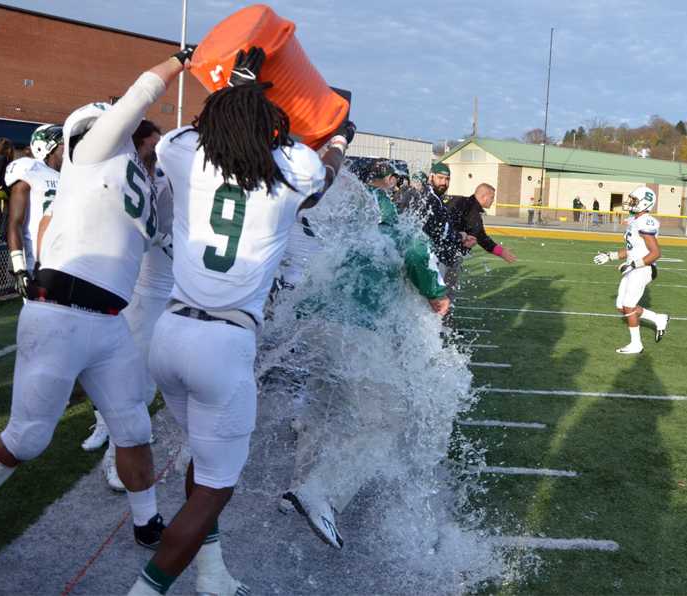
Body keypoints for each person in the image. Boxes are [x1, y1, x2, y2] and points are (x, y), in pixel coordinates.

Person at [0, 55, 187, 592]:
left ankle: (147, 522)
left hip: (109, 324)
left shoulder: (136, 179)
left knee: (134, 428)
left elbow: (160, 233)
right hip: (60, 313)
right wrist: (180, 61)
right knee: (27, 438)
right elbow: (138, 98)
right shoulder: (89, 155)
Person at [127, 47, 355, 596]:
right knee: (215, 486)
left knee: (205, 460)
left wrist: (236, 85)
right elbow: (322, 170)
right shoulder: (293, 171)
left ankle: (211, 574)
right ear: (271, 126)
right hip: (224, 344)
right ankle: (146, 590)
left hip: (170, 333)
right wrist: (340, 138)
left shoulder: (183, 151)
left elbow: (199, 128)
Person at [279, 158, 449, 551]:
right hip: (355, 331)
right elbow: (427, 274)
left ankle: (296, 489)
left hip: (314, 325)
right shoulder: (397, 228)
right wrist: (437, 298)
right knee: (388, 417)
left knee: (321, 409)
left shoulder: (338, 225)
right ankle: (322, 493)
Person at [99, 120, 171, 492]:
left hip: (177, 296)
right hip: (146, 294)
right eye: (151, 147)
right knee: (136, 385)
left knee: (160, 383)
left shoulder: (171, 179)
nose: (157, 155)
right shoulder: (142, 181)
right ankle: (114, 452)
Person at [592, 186, 669, 354]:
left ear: (645, 203)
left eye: (634, 200)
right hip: (633, 267)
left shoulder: (645, 222)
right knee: (621, 306)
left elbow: (656, 253)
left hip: (643, 268)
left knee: (628, 306)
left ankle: (636, 344)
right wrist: (610, 256)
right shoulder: (635, 220)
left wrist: (633, 265)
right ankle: (658, 318)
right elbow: (632, 249)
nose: (631, 203)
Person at [4, 124, 63, 294]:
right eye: (63, 144)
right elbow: (15, 222)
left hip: (65, 260)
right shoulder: (31, 169)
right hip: (37, 264)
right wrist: (19, 269)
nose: (68, 150)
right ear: (46, 147)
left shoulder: (68, 176)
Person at [446, 183, 516, 290]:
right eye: (492, 197)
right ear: (484, 197)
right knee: (446, 290)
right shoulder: (473, 212)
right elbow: (482, 238)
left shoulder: (460, 200)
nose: (493, 200)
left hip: (436, 249)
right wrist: (501, 252)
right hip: (446, 255)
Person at [404, 162, 475, 267]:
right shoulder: (430, 198)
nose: (444, 182)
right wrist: (460, 236)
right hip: (422, 255)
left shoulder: (433, 197)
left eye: (447, 179)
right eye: (440, 178)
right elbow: (440, 230)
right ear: (431, 177)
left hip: (420, 252)